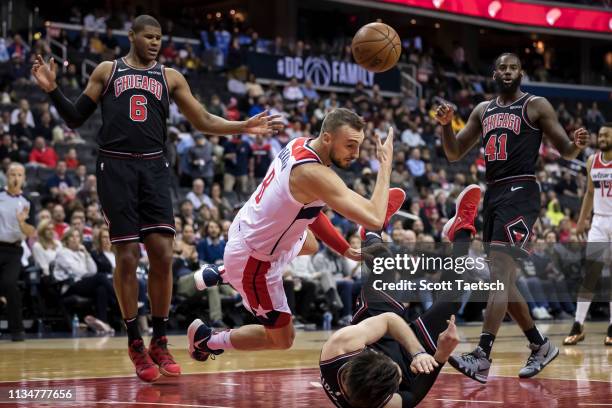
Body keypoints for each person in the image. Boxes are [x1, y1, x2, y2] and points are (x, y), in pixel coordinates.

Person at [31, 14, 282, 382]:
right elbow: (74, 118)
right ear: (131, 36)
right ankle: (135, 340)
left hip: (153, 168)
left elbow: (202, 119)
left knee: (163, 254)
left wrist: (240, 127)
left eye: (158, 37)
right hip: (115, 168)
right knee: (128, 256)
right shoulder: (106, 70)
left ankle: (160, 339)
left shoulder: (169, 77)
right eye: (148, 36)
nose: (154, 42)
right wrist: (53, 89)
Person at [187, 108, 401, 361]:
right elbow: (374, 218)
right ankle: (206, 339)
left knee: (309, 244)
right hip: (254, 263)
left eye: (358, 147)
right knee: (282, 339)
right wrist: (385, 164)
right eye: (350, 146)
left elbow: (311, 213)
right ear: (328, 138)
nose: (355, 154)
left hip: (244, 226)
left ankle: (223, 272)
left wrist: (343, 248)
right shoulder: (313, 173)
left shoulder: (299, 143)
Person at [434, 52, 589, 382]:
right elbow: (453, 152)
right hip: (494, 193)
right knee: (502, 279)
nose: (507, 71)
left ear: (521, 73)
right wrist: (447, 127)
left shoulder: (536, 105)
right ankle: (540, 345)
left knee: (500, 275)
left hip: (521, 190)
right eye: (502, 67)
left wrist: (576, 145)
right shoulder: (482, 110)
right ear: (494, 72)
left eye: (513, 67)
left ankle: (482, 354)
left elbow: (565, 149)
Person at [319, 184, 481, 407]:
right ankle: (461, 230)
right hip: (394, 367)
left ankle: (372, 229)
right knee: (452, 299)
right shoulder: (383, 403)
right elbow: (412, 397)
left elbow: (388, 320)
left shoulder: (339, 347)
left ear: (362, 354)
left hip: (374, 334)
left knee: (382, 261)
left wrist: (417, 353)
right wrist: (440, 356)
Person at [564, 123, 612, 347]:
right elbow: (589, 193)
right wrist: (582, 221)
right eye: (600, 134)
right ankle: (578, 324)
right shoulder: (592, 160)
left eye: (606, 135)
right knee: (590, 274)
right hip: (599, 221)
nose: (602, 138)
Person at [0, 163, 36, 341]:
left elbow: (32, 232)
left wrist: (22, 223)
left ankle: (17, 330)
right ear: (7, 176)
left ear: (24, 178)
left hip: (14, 250)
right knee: (10, 288)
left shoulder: (27, 201)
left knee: (8, 283)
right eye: (12, 174)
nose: (15, 178)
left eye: (19, 175)